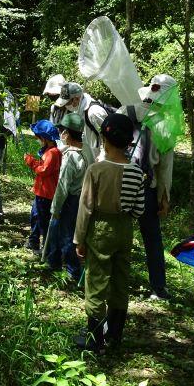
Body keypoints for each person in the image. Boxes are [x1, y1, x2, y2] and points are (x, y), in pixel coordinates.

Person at [73, 112, 146, 352]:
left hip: (100, 228)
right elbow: (139, 209)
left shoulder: (96, 170)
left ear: (104, 139)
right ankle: (115, 335)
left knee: (96, 281)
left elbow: (85, 208)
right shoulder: (136, 172)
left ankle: (95, 339)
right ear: (128, 142)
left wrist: (79, 239)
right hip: (125, 230)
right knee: (120, 280)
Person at [118, 75, 177, 300]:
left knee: (117, 230)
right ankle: (158, 288)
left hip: (121, 181)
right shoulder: (165, 125)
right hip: (146, 186)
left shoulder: (126, 111)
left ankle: (114, 278)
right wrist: (164, 196)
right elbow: (165, 168)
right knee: (152, 237)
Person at [48, 112, 87, 279]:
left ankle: (73, 271)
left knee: (66, 235)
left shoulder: (71, 157)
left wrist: (55, 208)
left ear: (67, 134)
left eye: (62, 131)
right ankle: (56, 262)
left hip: (70, 200)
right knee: (65, 233)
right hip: (78, 199)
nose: (61, 134)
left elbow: (63, 186)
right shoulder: (83, 152)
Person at [23, 119, 61, 256]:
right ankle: (33, 240)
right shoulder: (48, 151)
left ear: (44, 138)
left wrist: (31, 162)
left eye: (38, 138)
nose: (37, 140)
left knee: (43, 220)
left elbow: (44, 170)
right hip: (41, 192)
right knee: (35, 216)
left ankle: (46, 248)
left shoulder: (53, 153)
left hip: (46, 194)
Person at [54, 82, 111, 165]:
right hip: (87, 159)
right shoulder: (78, 109)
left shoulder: (94, 112)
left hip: (99, 162)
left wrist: (103, 156)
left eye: (67, 103)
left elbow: (109, 137)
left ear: (77, 98)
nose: (66, 106)